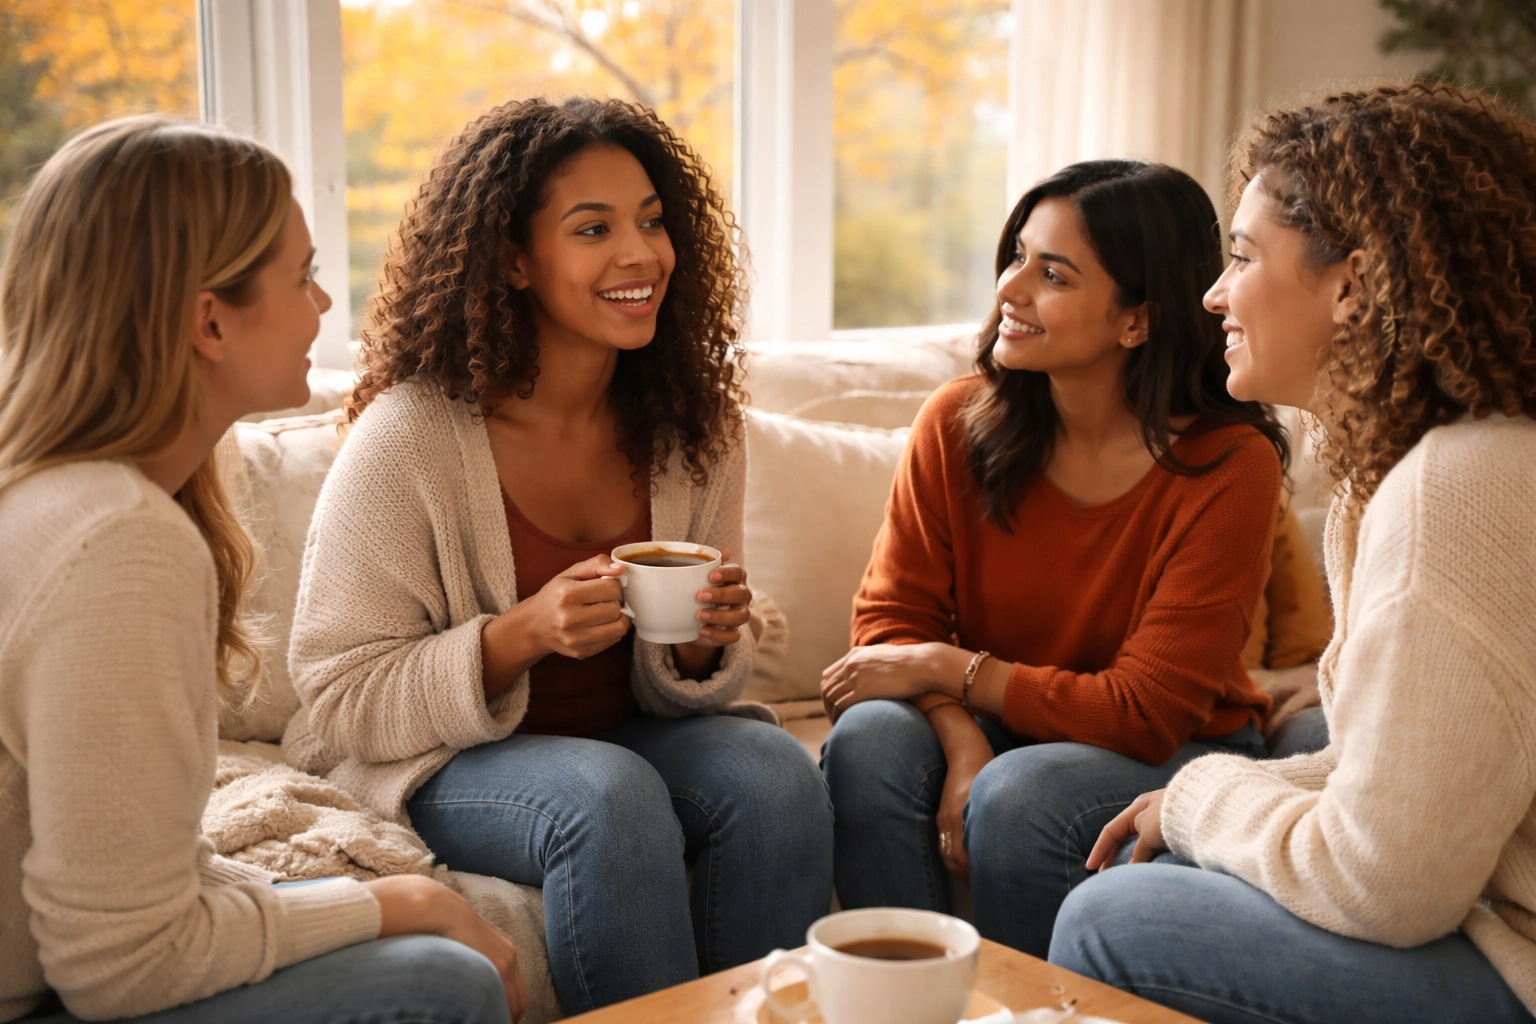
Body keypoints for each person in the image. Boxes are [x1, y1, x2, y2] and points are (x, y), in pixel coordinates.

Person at [286, 97, 834, 1014]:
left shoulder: (692, 425)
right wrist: (516, 637)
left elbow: (685, 687)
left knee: (774, 774)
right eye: (594, 228)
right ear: (510, 259)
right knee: (607, 794)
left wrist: (703, 645)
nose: (641, 254)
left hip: (623, 731)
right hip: (443, 761)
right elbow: (337, 697)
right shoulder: (411, 436)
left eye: (654, 221)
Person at [0, 117, 525, 1024]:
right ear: (209, 319)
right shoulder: (117, 544)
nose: (325, 306)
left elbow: (146, 881)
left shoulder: (79, 498)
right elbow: (120, 964)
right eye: (303, 276)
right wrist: (396, 901)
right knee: (441, 981)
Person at [1051, 83, 1536, 1024]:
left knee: (1113, 919)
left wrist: (1199, 804)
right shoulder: (1428, 463)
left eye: (1241, 257)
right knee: (1095, 821)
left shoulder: (1455, 488)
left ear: (1351, 286)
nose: (1213, 294)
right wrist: (1197, 798)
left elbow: (1388, 885)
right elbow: (1403, 781)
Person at [818, 160, 1287, 957]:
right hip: (1005, 731)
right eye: (1016, 257)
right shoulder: (955, 421)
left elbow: (1144, 712)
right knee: (870, 740)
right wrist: (961, 735)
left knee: (1020, 791)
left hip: (1178, 746)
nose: (1011, 288)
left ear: (1136, 320)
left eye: (1054, 273)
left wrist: (952, 669)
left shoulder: (1231, 465)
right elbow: (891, 624)